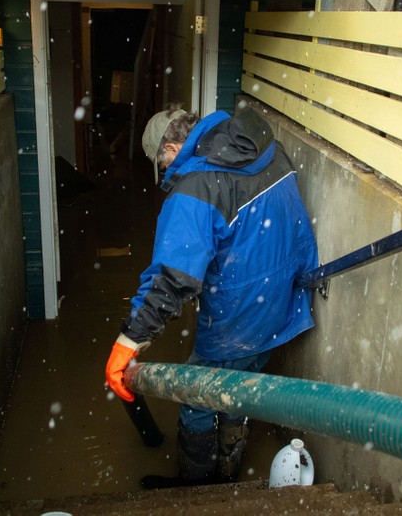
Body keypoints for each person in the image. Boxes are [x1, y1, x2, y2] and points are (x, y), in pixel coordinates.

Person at [104, 105, 319, 489]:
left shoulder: (197, 188)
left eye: (161, 161)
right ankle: (229, 474)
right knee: (239, 388)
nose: (165, 171)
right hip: (284, 301)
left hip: (238, 316)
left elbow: (173, 279)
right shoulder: (264, 144)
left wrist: (130, 340)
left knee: (197, 397)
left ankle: (197, 487)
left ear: (171, 148)